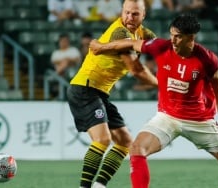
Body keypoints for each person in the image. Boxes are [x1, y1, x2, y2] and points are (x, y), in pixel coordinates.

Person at [90, 13, 218, 188]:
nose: (173, 41)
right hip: (167, 117)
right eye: (171, 35)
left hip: (199, 120)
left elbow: (215, 79)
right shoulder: (161, 47)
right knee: (137, 149)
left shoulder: (207, 59)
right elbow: (131, 43)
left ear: (190, 37)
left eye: (178, 37)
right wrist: (100, 47)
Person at [66, 0, 157, 188]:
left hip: (100, 92)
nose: (129, 18)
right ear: (121, 12)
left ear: (143, 15)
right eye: (126, 13)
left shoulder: (143, 33)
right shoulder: (120, 32)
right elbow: (136, 69)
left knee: (125, 142)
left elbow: (160, 49)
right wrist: (162, 84)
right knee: (103, 139)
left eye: (135, 14)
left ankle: (99, 186)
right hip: (85, 87)